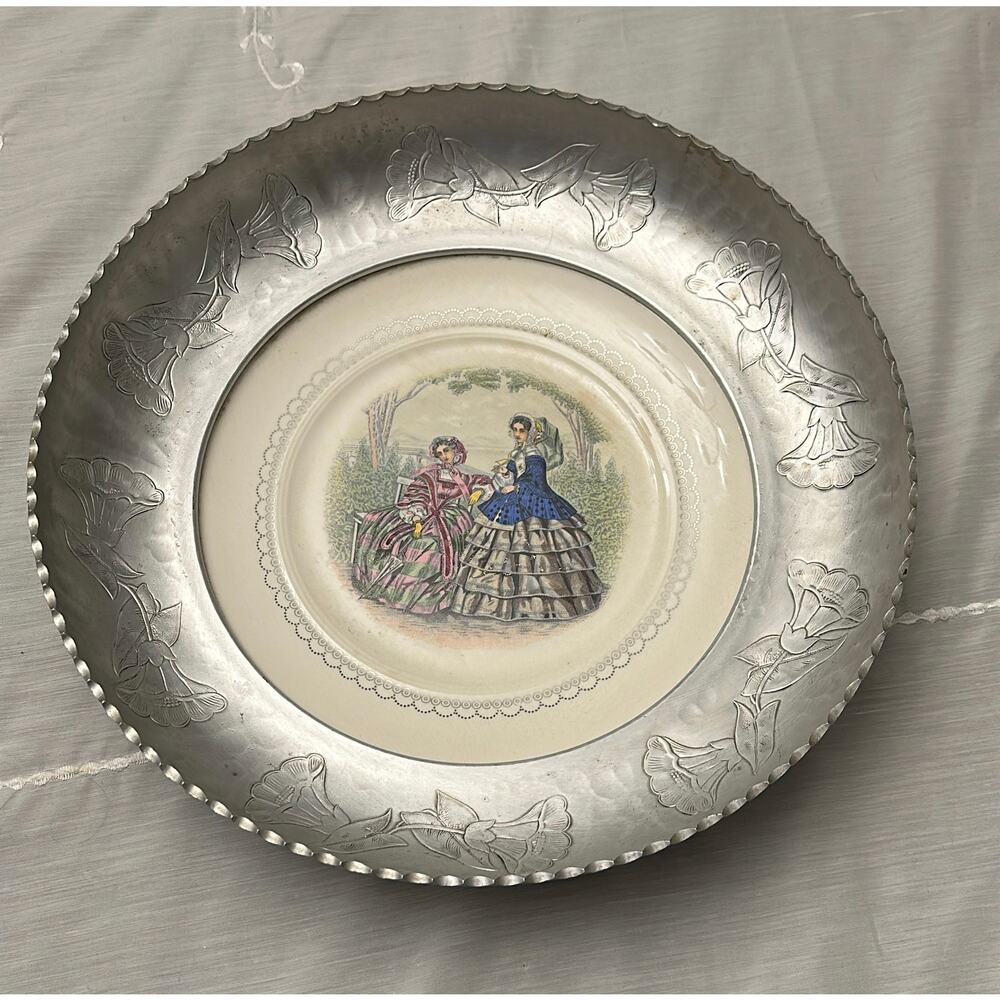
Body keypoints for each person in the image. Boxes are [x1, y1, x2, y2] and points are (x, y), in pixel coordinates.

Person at [450, 414, 604, 621]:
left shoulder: (534, 454)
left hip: (533, 500)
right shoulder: (518, 452)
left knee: (537, 549)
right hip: (514, 497)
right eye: (515, 430)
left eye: (522, 430)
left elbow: (537, 481)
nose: (517, 434)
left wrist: (517, 487)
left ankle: (539, 605)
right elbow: (509, 476)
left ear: (531, 432)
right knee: (501, 549)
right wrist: (496, 481)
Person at [352, 436, 490, 614]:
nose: (443, 456)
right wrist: (417, 520)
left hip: (449, 519)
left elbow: (484, 482)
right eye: (439, 453)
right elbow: (417, 497)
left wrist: (478, 491)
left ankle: (417, 595)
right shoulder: (429, 475)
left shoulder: (462, 477)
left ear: (457, 453)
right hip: (423, 514)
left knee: (432, 546)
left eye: (447, 451)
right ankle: (393, 589)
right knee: (391, 531)